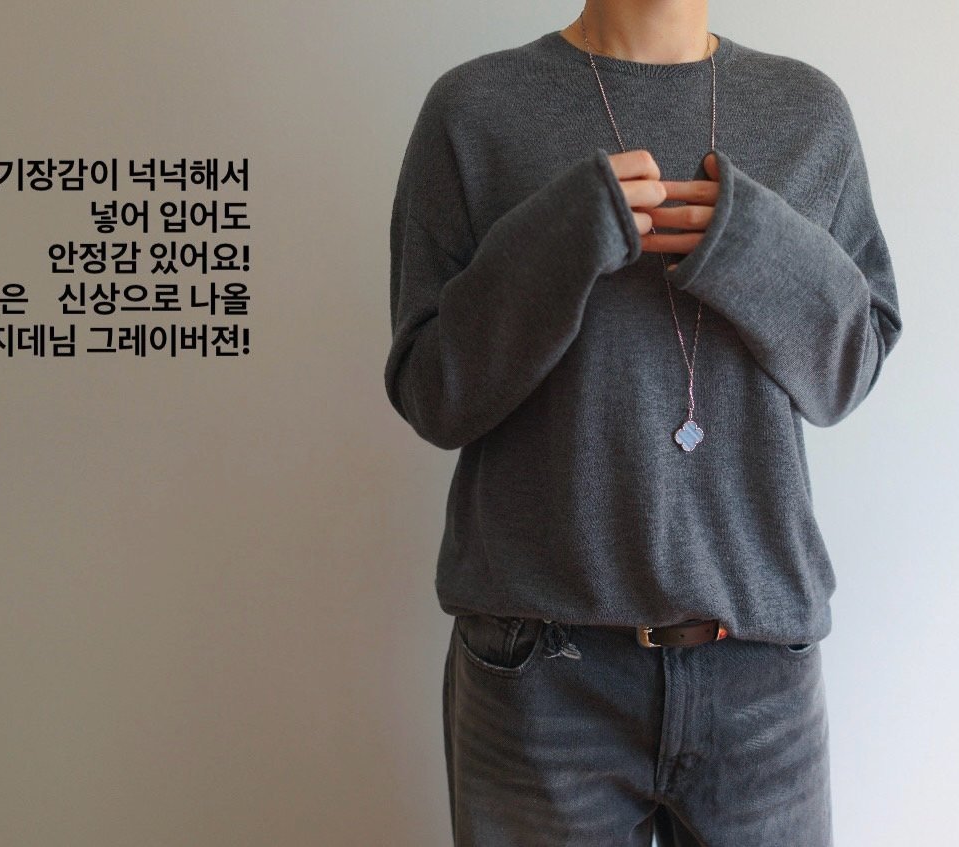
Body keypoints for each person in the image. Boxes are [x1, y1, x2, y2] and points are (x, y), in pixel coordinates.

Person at [383, 1, 903, 843]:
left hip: (760, 673)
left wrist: (755, 246)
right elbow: (432, 392)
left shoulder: (808, 113)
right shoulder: (474, 110)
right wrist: (563, 237)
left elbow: (849, 371)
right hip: (541, 677)